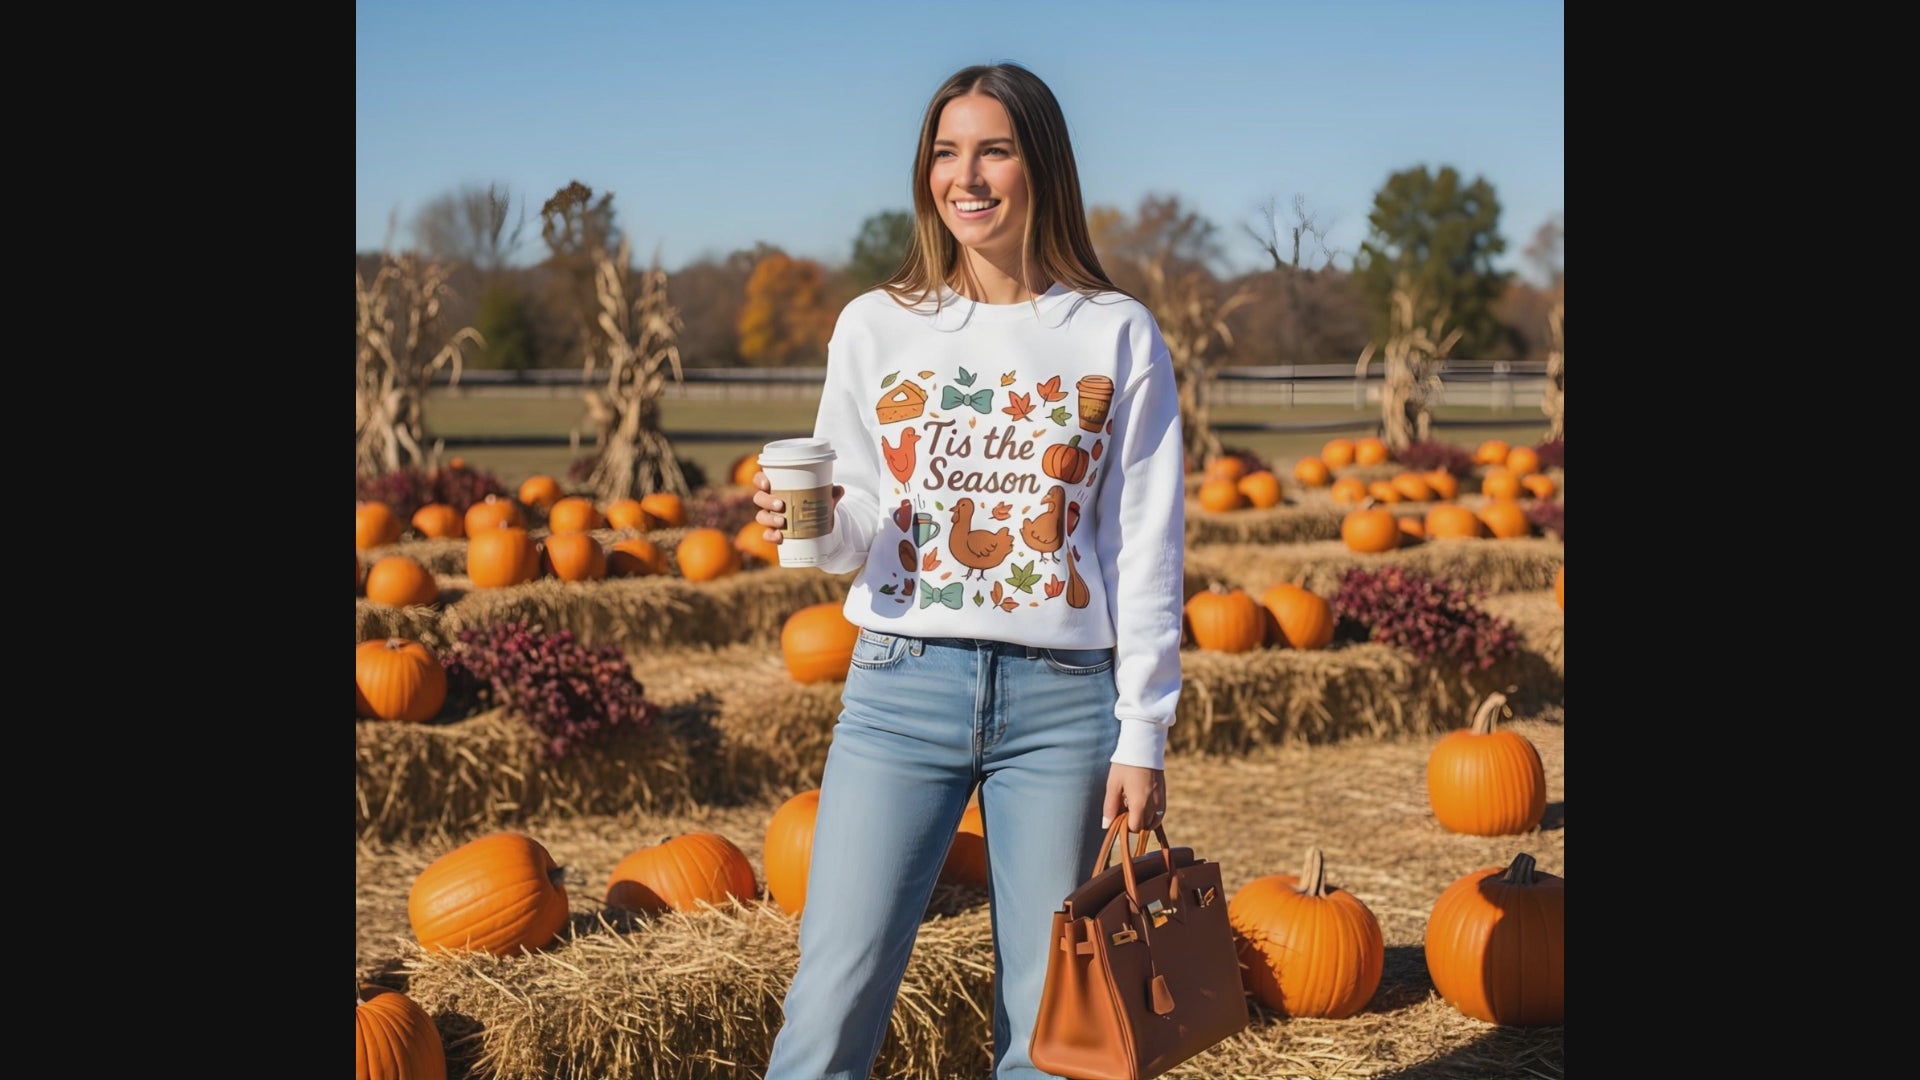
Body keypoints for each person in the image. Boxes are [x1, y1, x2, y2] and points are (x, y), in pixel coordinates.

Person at [752, 61, 1187, 1080]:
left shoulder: (1116, 332)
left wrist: (1143, 730)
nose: (968, 175)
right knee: (833, 993)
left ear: (1041, 166)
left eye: (994, 149)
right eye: (947, 153)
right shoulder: (877, 324)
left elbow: (1145, 546)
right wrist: (802, 528)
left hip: (1064, 705)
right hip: (901, 685)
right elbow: (857, 520)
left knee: (1050, 1026)